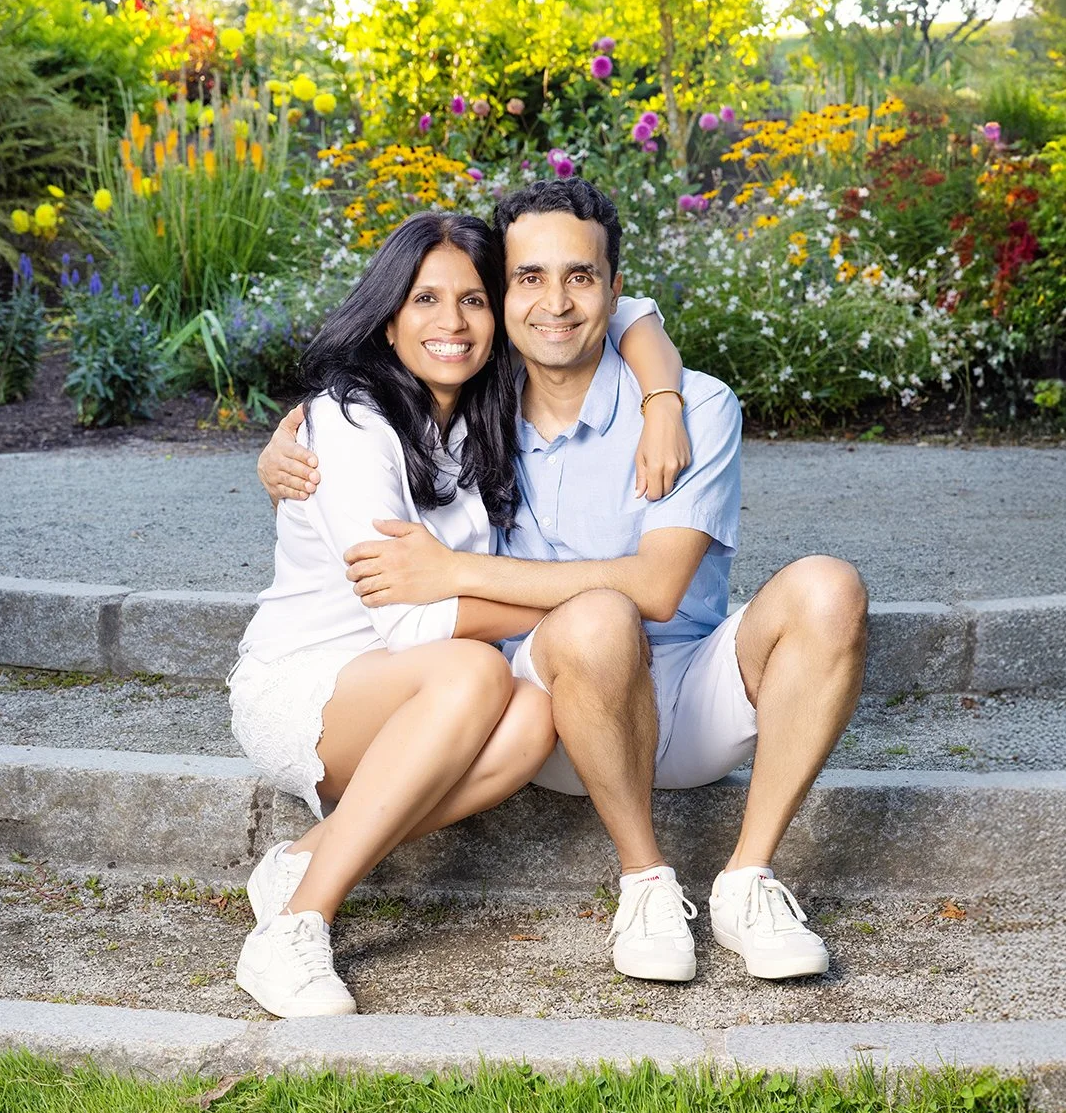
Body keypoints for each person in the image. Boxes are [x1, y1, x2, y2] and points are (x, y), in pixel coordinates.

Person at [259, 180, 869, 987]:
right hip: (551, 694)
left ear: (613, 290)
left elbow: (656, 590)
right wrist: (281, 454)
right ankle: (647, 883)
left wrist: (660, 397)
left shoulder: (695, 405)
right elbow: (379, 402)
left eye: (581, 277)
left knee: (829, 586)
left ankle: (747, 882)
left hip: (687, 694)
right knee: (592, 622)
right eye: (529, 278)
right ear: (508, 295)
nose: (556, 301)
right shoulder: (479, 398)